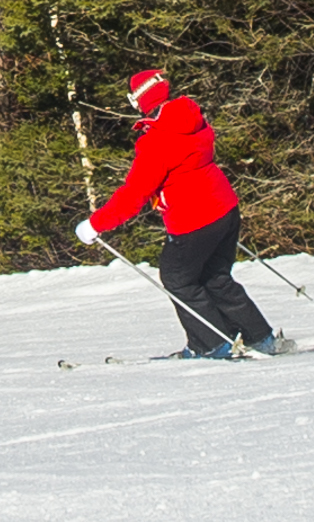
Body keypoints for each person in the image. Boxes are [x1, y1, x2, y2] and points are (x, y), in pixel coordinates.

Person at [78, 66, 278, 357]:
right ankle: (260, 338)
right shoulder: (191, 118)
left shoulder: (157, 140)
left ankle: (211, 344)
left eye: (133, 97)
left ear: (141, 100)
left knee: (177, 278)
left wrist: (96, 224)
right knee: (215, 277)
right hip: (225, 208)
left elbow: (134, 194)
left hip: (193, 220)